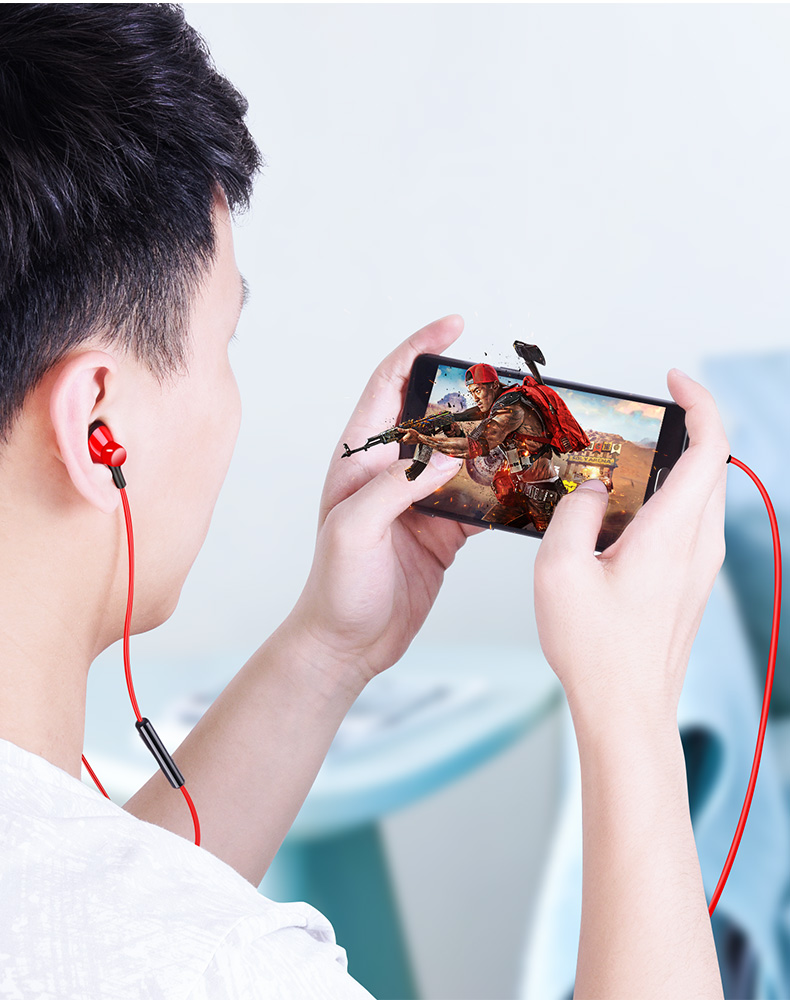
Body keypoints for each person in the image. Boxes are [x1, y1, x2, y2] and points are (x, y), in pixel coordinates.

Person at [0, 5, 725, 1000]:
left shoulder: (123, 933)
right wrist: (632, 710)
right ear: (99, 424)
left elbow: (87, 927)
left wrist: (328, 649)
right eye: (224, 344)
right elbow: (143, 952)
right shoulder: (224, 969)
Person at [400, 361, 589, 530]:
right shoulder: (503, 405)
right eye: (472, 392)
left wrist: (422, 439)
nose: (475, 397)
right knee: (489, 523)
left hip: (542, 500)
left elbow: (473, 448)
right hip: (519, 494)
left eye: (478, 391)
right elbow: (475, 439)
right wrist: (453, 427)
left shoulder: (511, 411)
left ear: (494, 385)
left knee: (561, 540)